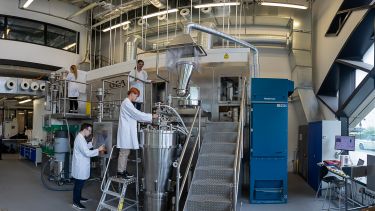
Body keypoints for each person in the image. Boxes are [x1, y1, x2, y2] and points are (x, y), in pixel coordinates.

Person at [117, 87, 157, 178]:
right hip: (125, 132)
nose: (136, 98)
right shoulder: (126, 103)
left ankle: (123, 171)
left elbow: (135, 115)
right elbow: (137, 114)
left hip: (127, 132)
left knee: (126, 152)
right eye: (136, 95)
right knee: (124, 152)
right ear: (131, 93)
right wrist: (151, 116)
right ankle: (120, 172)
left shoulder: (128, 103)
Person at [72, 123, 106, 210]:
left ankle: (79, 198)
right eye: (89, 130)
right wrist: (98, 149)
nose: (90, 133)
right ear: (85, 129)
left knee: (80, 184)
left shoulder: (81, 138)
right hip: (80, 166)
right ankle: (76, 202)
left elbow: (85, 148)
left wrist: (91, 143)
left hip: (81, 165)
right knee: (78, 185)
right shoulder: (80, 139)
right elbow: (87, 153)